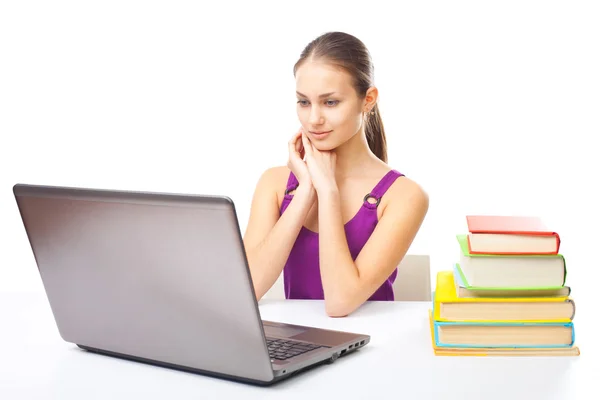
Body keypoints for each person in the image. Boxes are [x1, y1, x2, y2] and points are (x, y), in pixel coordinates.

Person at [243, 31, 429, 317]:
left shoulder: (404, 196)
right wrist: (306, 190)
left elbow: (340, 302)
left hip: (372, 350)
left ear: (368, 100)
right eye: (304, 102)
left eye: (330, 102)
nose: (314, 119)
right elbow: (248, 288)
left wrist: (328, 191)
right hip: (296, 348)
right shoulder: (275, 183)